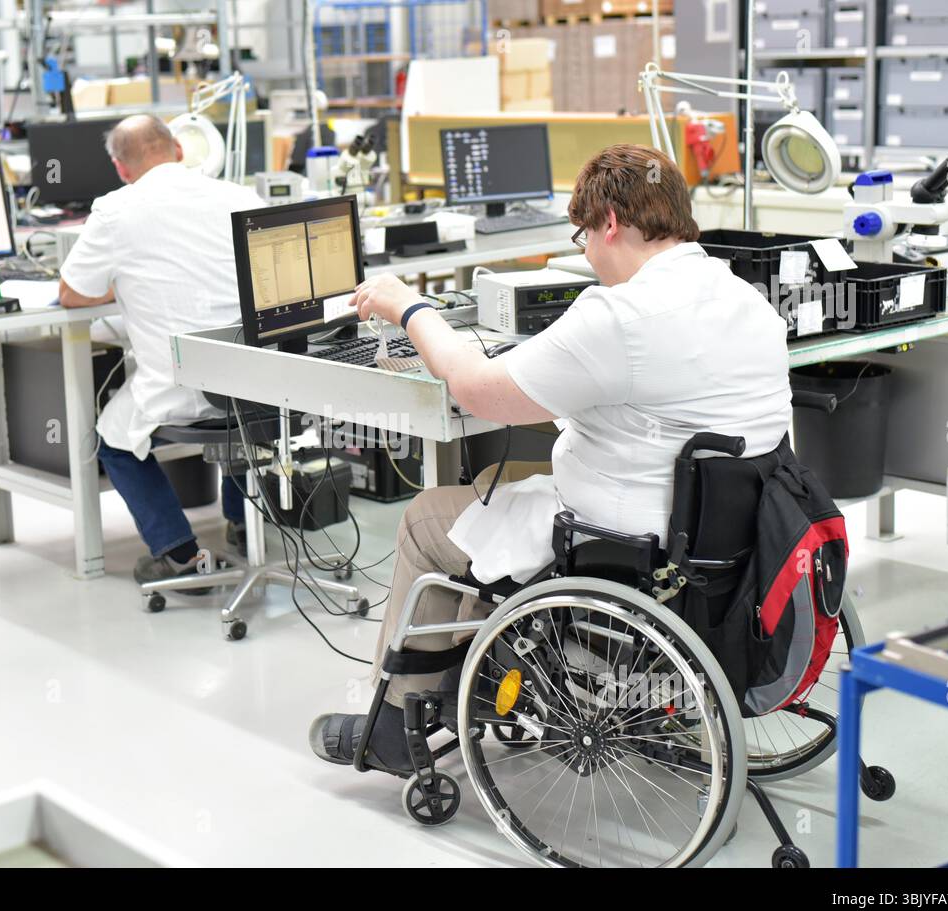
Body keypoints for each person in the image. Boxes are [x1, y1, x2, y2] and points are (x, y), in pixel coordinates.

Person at [310, 144, 793, 773]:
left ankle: (398, 724)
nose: (587, 254)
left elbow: (475, 387)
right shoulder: (742, 296)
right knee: (491, 480)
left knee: (427, 519)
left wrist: (411, 307)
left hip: (630, 543)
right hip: (730, 536)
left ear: (610, 224)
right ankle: (469, 674)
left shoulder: (620, 315)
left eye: (583, 235)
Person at [58, 115, 263, 587]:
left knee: (112, 438)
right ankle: (241, 524)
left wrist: (125, 286)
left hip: (182, 387)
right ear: (177, 150)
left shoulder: (116, 209)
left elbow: (71, 293)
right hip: (260, 380)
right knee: (244, 414)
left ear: (121, 167)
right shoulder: (239, 195)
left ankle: (178, 552)